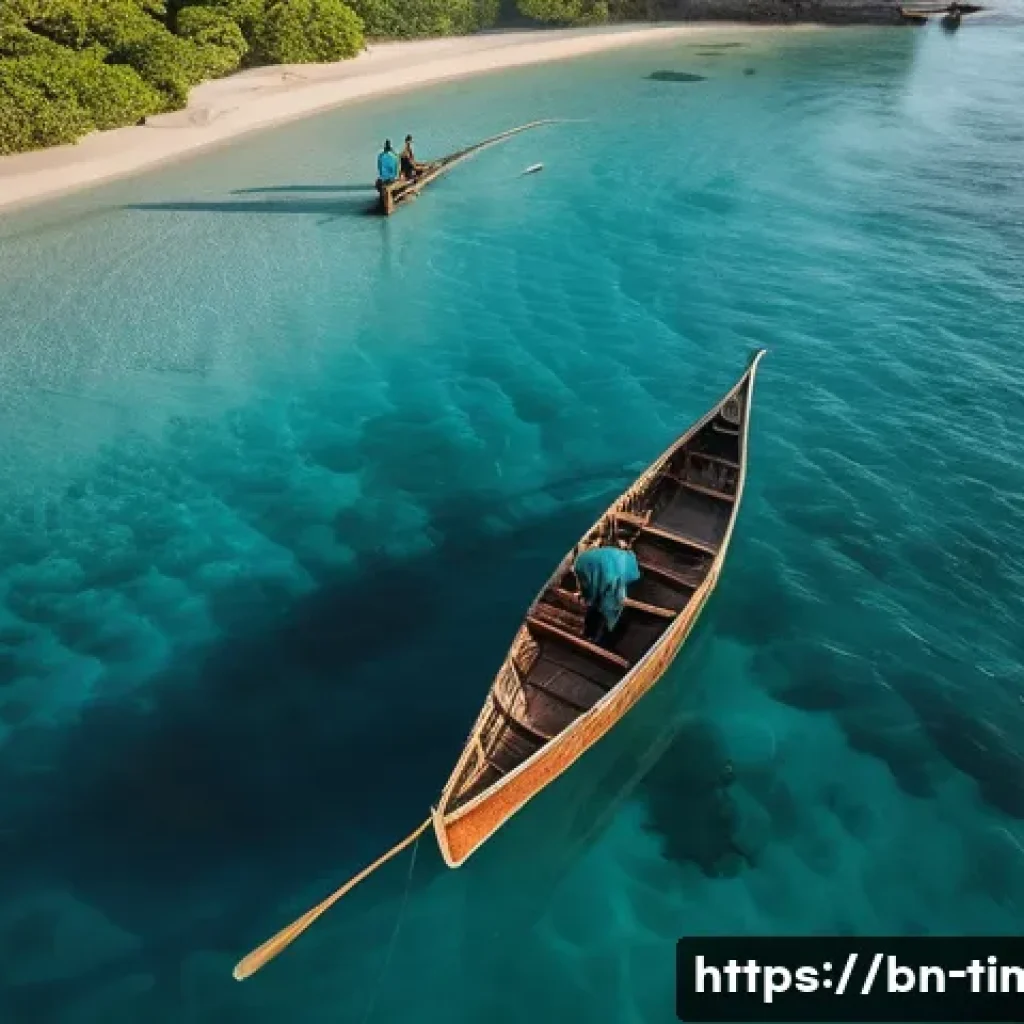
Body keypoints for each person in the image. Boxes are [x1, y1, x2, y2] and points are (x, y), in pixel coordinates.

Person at [572, 539, 640, 646]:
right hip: (609, 580)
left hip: (581, 563)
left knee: (593, 602)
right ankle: (600, 639)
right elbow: (634, 576)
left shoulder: (593, 553)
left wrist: (585, 594)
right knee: (609, 606)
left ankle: (588, 633)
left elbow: (584, 580)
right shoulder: (627, 557)